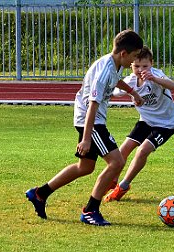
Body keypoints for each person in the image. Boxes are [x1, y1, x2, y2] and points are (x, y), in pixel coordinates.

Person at [25, 29, 144, 226]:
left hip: (90, 120)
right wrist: (86, 138)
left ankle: (40, 193)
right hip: (91, 121)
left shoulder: (114, 64)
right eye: (133, 56)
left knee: (85, 167)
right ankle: (90, 210)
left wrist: (133, 92)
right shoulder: (105, 71)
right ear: (124, 53)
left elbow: (116, 81)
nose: (133, 62)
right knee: (117, 162)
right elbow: (93, 105)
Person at [104, 46, 174, 202]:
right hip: (146, 121)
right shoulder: (130, 80)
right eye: (136, 66)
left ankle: (123, 186)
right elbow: (115, 91)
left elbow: (173, 86)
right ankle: (113, 180)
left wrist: (154, 79)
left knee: (142, 150)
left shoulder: (156, 75)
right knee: (123, 150)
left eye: (145, 66)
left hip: (166, 124)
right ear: (131, 65)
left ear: (151, 64)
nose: (140, 69)